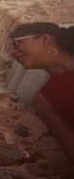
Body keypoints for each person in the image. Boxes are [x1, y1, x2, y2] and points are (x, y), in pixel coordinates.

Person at [9, 22, 74, 158]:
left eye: (17, 43)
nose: (13, 53)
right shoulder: (47, 96)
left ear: (46, 40)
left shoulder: (45, 100)